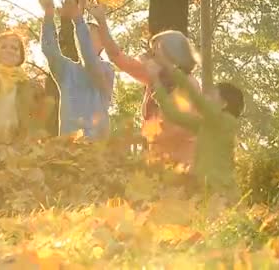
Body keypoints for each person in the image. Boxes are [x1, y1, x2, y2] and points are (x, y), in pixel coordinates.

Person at [146, 52, 245, 199]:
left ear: (224, 103)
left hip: (221, 193)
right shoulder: (208, 124)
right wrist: (156, 82)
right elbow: (174, 115)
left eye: (212, 96)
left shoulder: (226, 122)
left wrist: (169, 66)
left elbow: (196, 99)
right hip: (204, 191)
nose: (207, 98)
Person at [100, 23, 201, 166]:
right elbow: (117, 57)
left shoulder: (189, 84)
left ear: (172, 55)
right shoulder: (155, 77)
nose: (151, 57)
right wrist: (101, 21)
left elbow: (181, 127)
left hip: (183, 165)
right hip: (157, 163)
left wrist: (144, 136)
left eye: (156, 52)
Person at [36, 0, 115, 140]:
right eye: (85, 34)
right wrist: (48, 15)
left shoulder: (106, 70)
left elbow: (90, 60)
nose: (85, 38)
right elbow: (49, 50)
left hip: (97, 148)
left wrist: (79, 20)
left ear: (102, 45)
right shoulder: (67, 69)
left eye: (92, 35)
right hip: (68, 145)